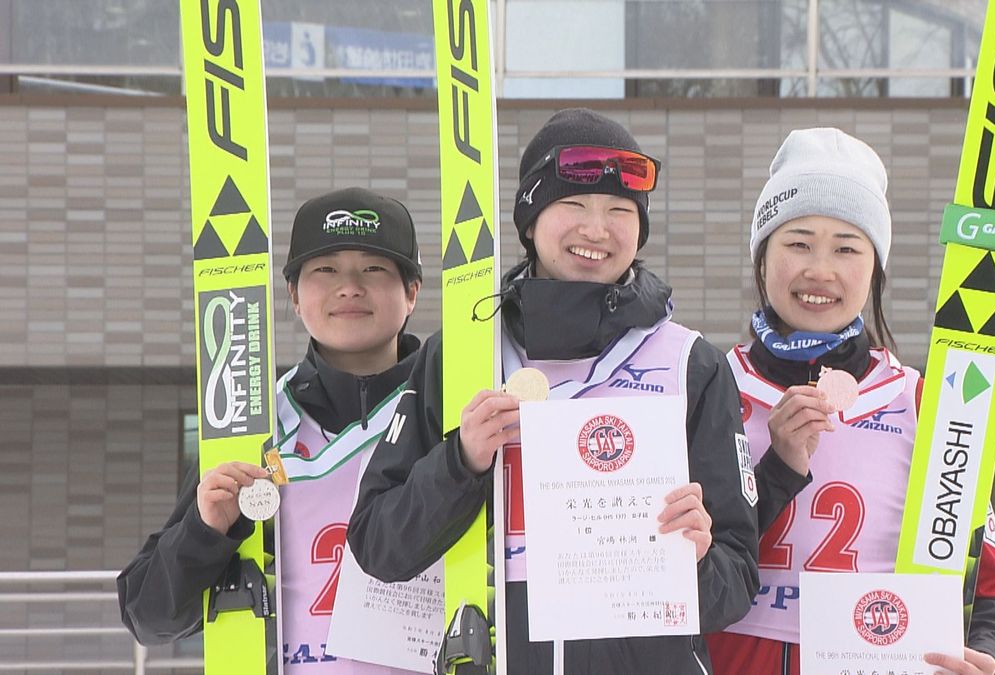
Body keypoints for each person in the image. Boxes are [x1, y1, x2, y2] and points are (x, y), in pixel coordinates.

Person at [347, 108, 759, 674]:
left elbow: (735, 587)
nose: (597, 230)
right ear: (531, 219)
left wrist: (699, 556)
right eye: (573, 206)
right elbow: (378, 547)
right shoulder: (465, 355)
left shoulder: (690, 363)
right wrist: (460, 463)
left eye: (620, 210)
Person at [705, 128, 995, 675]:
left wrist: (988, 659)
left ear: (875, 267)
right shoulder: (709, 385)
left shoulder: (925, 402)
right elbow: (672, 565)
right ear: (763, 257)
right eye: (798, 242)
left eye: (847, 248)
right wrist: (773, 468)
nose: (820, 271)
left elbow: (990, 588)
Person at [118, 187, 426, 673]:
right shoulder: (255, 427)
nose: (349, 287)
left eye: (374, 269)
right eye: (324, 270)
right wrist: (205, 530)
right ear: (294, 296)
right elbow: (149, 617)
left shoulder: (451, 416)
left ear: (412, 292)